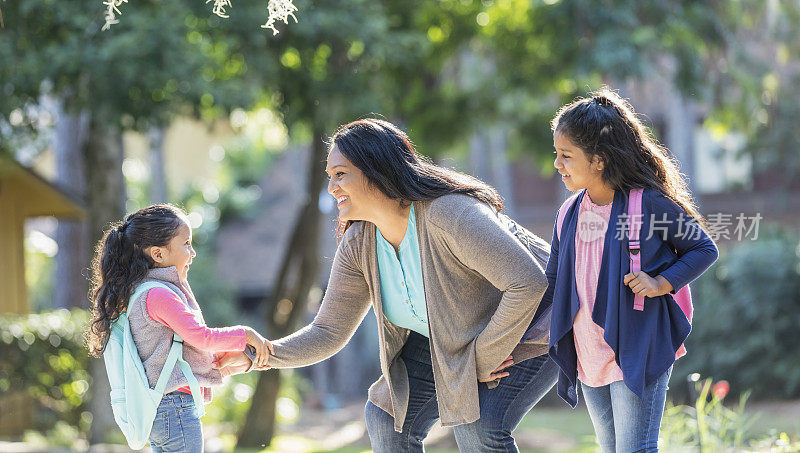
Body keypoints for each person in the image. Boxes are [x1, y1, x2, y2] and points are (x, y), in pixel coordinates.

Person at [215, 118, 558, 452]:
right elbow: (328, 331)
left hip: (538, 318)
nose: (332, 187)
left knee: (479, 427)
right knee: (387, 416)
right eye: (329, 177)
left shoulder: (448, 214)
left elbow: (527, 283)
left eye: (340, 174)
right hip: (455, 332)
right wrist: (257, 355)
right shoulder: (359, 242)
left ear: (376, 170)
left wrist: (481, 358)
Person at [546, 89, 719, 452]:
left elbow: (704, 247)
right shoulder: (569, 213)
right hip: (589, 349)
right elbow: (552, 281)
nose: (557, 165)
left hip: (638, 343)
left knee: (634, 449)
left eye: (566, 156)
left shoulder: (649, 205)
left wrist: (661, 282)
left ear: (599, 160)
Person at [86, 204, 273, 453]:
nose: (193, 252)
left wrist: (227, 361)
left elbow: (175, 355)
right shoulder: (158, 294)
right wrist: (246, 334)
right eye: (186, 243)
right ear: (158, 254)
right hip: (175, 410)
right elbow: (202, 337)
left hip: (162, 410)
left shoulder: (144, 293)